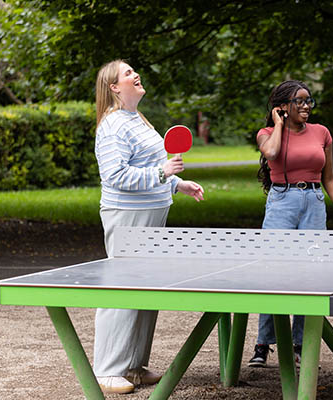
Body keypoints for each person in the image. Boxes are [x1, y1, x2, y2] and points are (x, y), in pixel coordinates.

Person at [93, 59, 205, 394]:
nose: (134, 75)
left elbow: (153, 167)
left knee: (144, 289)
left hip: (153, 215)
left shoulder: (138, 119)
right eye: (127, 73)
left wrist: (177, 185)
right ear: (114, 87)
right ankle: (107, 369)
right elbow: (115, 176)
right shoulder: (113, 125)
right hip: (126, 216)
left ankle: (134, 366)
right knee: (121, 288)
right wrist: (163, 174)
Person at [248, 80, 333, 368]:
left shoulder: (322, 133)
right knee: (274, 272)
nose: (307, 106)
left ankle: (299, 344)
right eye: (300, 101)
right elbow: (270, 154)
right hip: (282, 200)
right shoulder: (267, 134)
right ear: (283, 107)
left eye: (309, 101)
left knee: (310, 275)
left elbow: (329, 178)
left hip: (314, 202)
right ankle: (263, 342)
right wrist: (279, 124)